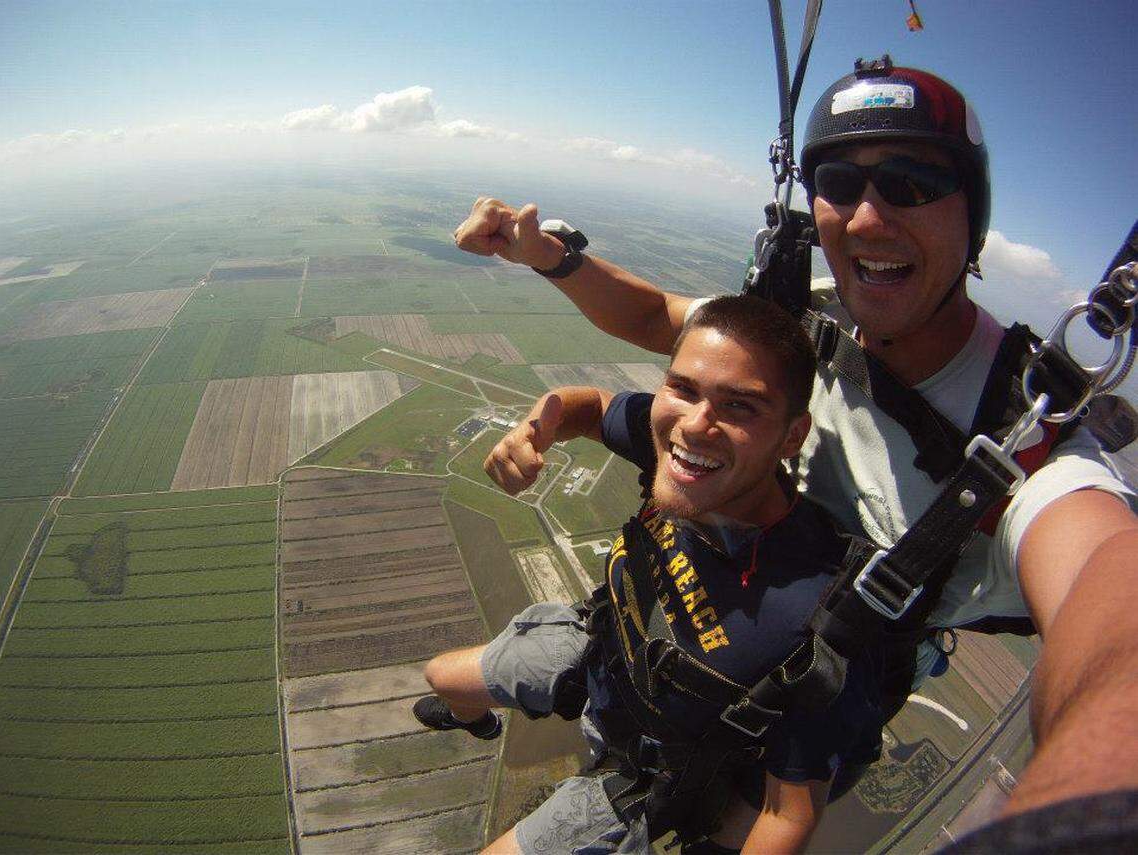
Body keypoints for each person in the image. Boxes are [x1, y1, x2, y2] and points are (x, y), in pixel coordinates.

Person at [451, 60, 1138, 817]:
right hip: (693, 605)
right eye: (841, 183)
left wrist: (1086, 811)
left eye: (910, 181)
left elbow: (1108, 583)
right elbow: (656, 318)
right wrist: (549, 255)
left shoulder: (1025, 437)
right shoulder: (810, 313)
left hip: (792, 715)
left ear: (970, 215)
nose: (870, 217)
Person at [415, 296, 884, 853]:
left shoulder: (814, 614)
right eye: (683, 388)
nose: (695, 424)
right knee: (440, 675)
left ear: (791, 436)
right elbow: (587, 406)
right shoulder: (676, 451)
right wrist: (534, 430)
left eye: (740, 408)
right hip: (600, 649)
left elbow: (788, 813)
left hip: (648, 768)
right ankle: (481, 723)